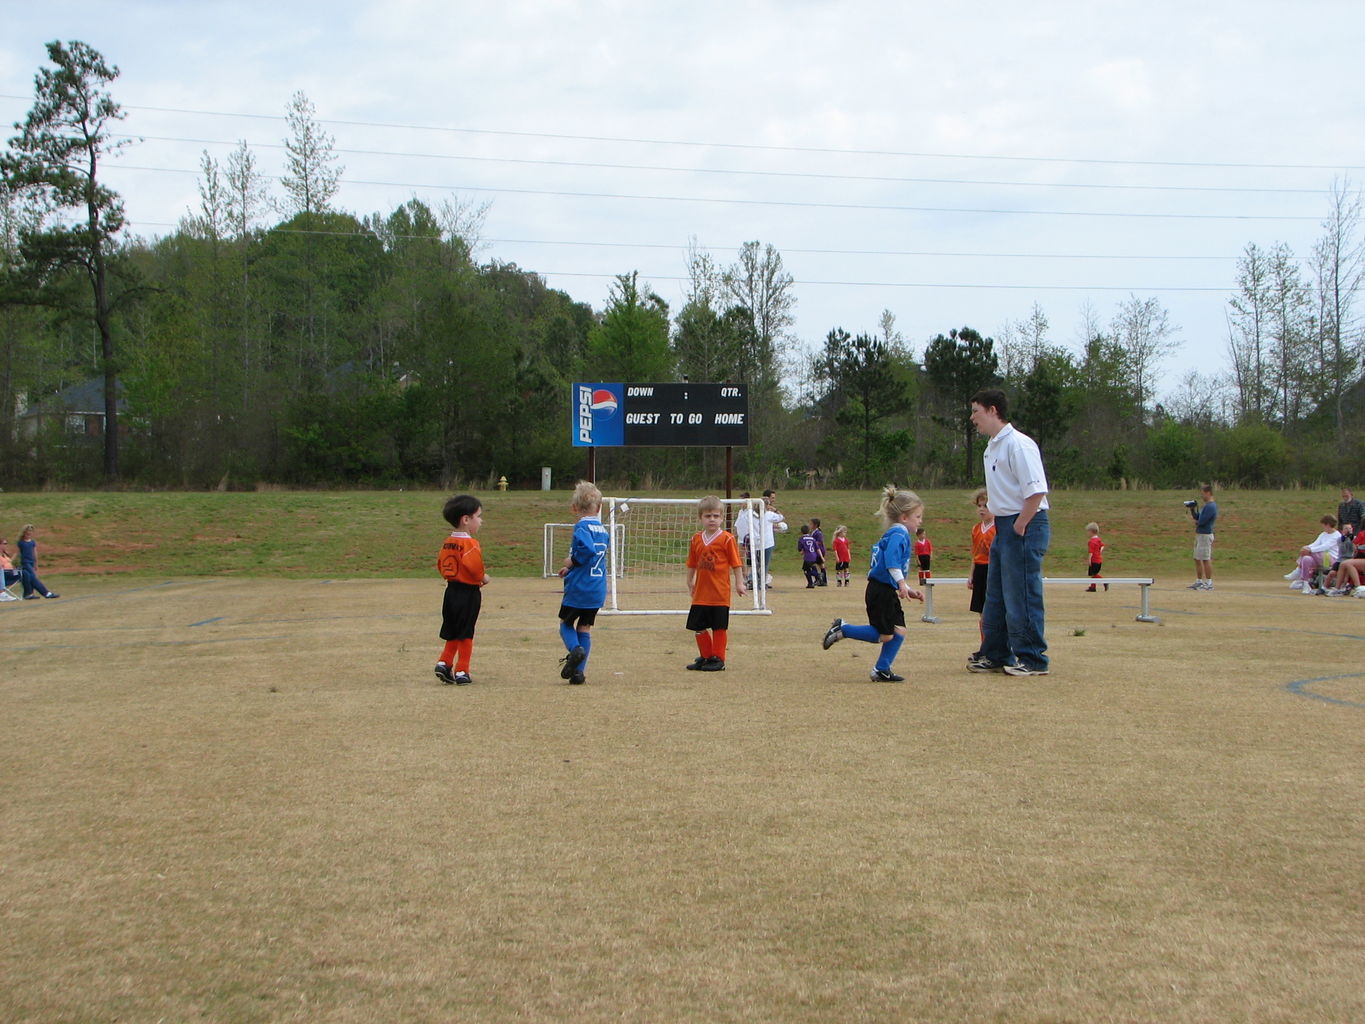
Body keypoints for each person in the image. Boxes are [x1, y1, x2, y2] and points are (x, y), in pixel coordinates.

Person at [966, 388, 1051, 677]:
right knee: (996, 594)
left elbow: (1036, 489)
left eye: (976, 411)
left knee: (1022, 594)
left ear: (992, 411)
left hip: (1025, 523)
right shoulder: (992, 446)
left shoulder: (1019, 444)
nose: (972, 418)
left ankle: (1033, 658)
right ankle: (996, 652)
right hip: (1004, 525)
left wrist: (1020, 523)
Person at [820, 486, 925, 682]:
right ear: (904, 517)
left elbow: (892, 567)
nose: (920, 521)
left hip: (886, 589)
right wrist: (902, 584)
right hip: (880, 591)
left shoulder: (897, 533)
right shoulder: (899, 534)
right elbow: (892, 562)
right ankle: (843, 629)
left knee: (899, 630)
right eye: (917, 516)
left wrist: (907, 589)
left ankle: (881, 669)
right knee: (885, 635)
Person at [555, 480, 610, 685]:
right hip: (597, 588)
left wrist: (571, 561)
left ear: (574, 508)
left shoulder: (581, 527)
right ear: (599, 507)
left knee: (565, 625)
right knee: (584, 628)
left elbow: (586, 550)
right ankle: (578, 673)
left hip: (579, 588)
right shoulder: (603, 530)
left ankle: (575, 650)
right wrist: (570, 567)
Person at [684, 495, 747, 671]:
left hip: (720, 592)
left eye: (716, 516)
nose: (712, 519)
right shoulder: (696, 538)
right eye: (708, 516)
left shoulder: (727, 539)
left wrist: (739, 583)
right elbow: (692, 562)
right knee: (698, 626)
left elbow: (736, 563)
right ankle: (706, 656)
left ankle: (718, 659)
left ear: (722, 518)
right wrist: (689, 581)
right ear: (701, 518)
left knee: (719, 627)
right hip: (701, 593)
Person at [434, 495, 489, 685]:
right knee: (466, 632)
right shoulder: (470, 544)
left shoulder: (447, 542)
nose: (481, 521)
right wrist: (483, 578)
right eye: (478, 516)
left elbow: (441, 565)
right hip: (468, 593)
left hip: (451, 591)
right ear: (466, 520)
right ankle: (462, 670)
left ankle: (444, 662)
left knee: (453, 629)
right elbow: (475, 568)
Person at [967, 488, 994, 655]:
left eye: (986, 506)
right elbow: (974, 554)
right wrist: (971, 575)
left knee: (993, 611)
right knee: (981, 612)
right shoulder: (976, 529)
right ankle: (984, 646)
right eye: (980, 505)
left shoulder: (998, 527)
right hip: (980, 570)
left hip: (993, 569)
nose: (982, 509)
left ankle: (995, 647)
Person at [1290, 514, 1340, 594]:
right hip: (1320, 557)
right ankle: (1306, 584)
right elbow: (1315, 544)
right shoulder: (1323, 534)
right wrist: (1306, 547)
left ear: (1327, 525)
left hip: (1331, 559)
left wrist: (1309, 550)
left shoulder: (1337, 536)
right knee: (1306, 558)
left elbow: (1325, 547)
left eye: (1323, 525)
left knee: (1313, 552)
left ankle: (1298, 570)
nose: (1322, 527)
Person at [1187, 484, 1217, 591]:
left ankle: (1209, 582)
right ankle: (1199, 581)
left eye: (1203, 494)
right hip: (1200, 534)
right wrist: (1192, 509)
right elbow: (1198, 517)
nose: (1202, 496)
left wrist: (1197, 522)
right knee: (1197, 557)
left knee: (1205, 558)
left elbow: (1202, 521)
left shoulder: (1211, 506)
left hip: (1205, 534)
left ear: (1208, 493)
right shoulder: (1206, 506)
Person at [16, 525, 59, 600]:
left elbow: (35, 553)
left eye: (30, 533)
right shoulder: (21, 543)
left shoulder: (32, 542)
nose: (28, 535)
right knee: (33, 577)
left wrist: (36, 563)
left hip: (31, 562)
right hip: (25, 563)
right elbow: (17, 553)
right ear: (24, 533)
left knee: (30, 578)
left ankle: (29, 594)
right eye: (27, 533)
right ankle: (46, 593)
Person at [758, 489, 786, 588]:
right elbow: (780, 517)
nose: (774, 500)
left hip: (767, 538)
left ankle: (762, 581)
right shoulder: (767, 512)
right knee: (761, 563)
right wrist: (775, 510)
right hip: (763, 541)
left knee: (762, 563)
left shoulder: (766, 513)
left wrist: (774, 527)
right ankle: (759, 582)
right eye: (772, 498)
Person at [1085, 522, 1108, 592]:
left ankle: (1105, 581)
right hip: (1099, 560)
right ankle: (1093, 587)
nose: (1087, 533)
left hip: (1094, 560)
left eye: (1088, 531)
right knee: (1093, 574)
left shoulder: (1091, 541)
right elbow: (1102, 546)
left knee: (1094, 574)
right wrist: (1099, 552)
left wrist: (1089, 560)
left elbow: (1091, 552)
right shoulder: (1098, 540)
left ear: (1091, 532)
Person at [797, 523, 822, 588]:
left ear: (801, 532)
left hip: (808, 557)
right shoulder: (812, 538)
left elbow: (801, 550)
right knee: (808, 569)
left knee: (806, 570)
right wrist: (821, 557)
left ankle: (818, 575)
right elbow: (817, 548)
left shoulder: (801, 539)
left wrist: (802, 552)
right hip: (814, 556)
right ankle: (810, 584)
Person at [810, 516, 828, 586]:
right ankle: (823, 580)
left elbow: (819, 542)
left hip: (819, 551)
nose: (810, 525)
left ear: (815, 525)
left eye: (811, 524)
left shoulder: (818, 533)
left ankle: (819, 579)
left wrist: (812, 542)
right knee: (820, 565)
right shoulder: (813, 532)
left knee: (814, 564)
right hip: (816, 551)